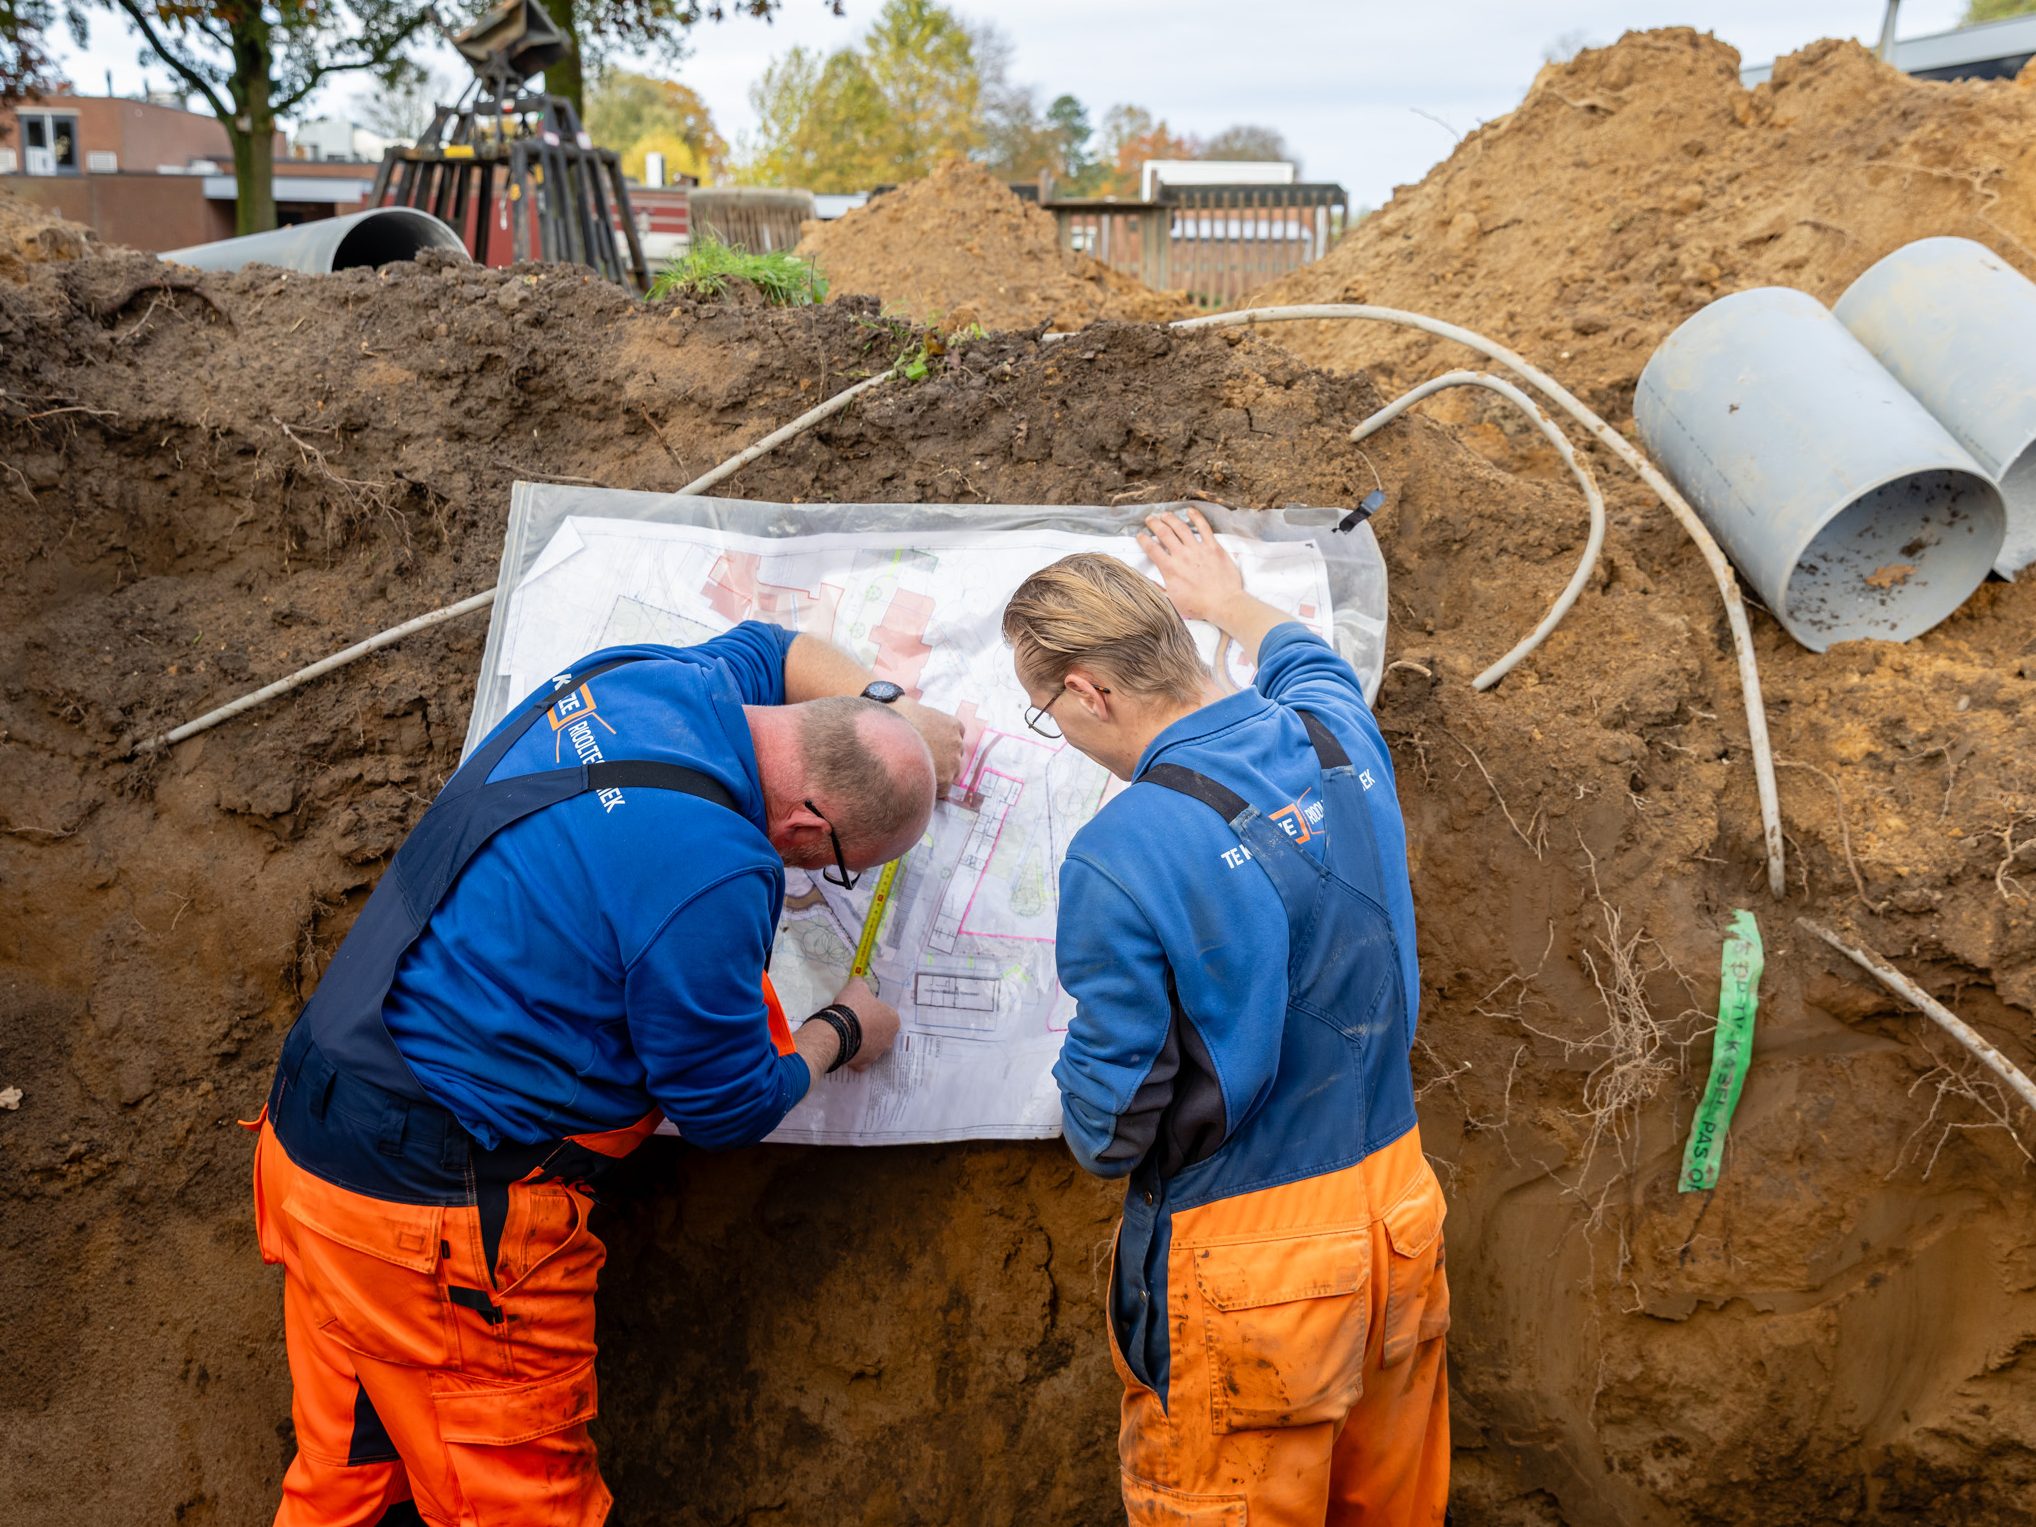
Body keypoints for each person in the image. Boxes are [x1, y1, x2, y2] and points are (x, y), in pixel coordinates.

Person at [248, 620, 963, 1527]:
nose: (829, 874)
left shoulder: (646, 676)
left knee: (350, 1477)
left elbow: (772, 646)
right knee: (525, 1510)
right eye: (844, 866)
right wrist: (842, 1027)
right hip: (439, 1226)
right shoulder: (714, 871)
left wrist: (882, 705)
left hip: (311, 1144)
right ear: (809, 826)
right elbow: (728, 1102)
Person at [1001, 508, 1449, 1525]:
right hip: (1399, 1219)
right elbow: (1305, 658)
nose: (1060, 730)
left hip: (1252, 1272)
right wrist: (1226, 600)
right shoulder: (1335, 731)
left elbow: (1111, 1130)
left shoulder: (1121, 852)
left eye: (1046, 710)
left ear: (1089, 690)